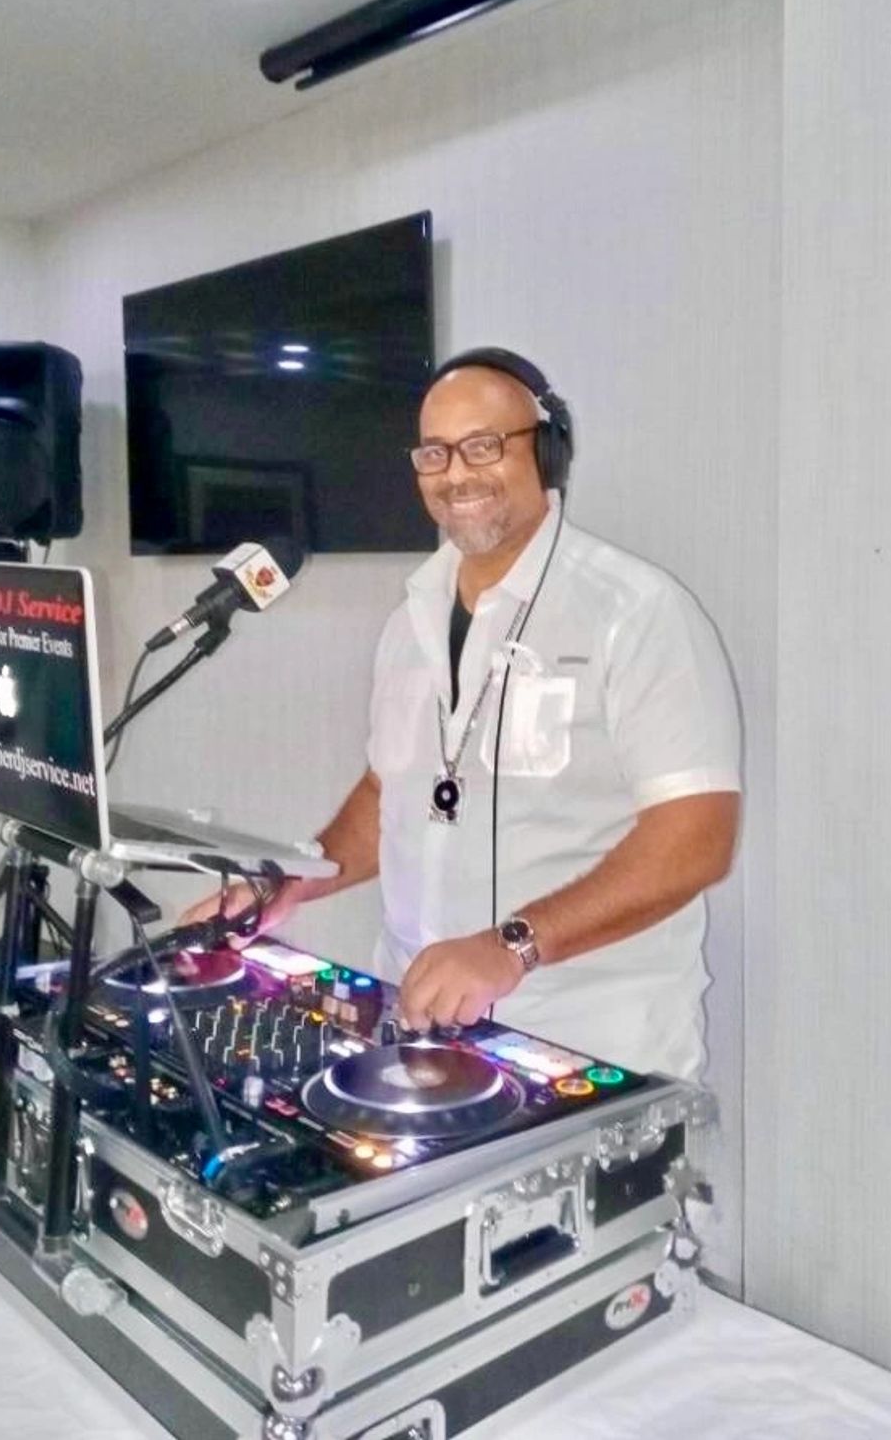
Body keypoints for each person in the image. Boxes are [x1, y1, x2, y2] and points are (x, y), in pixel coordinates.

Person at [183, 349, 741, 1080]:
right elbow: (394, 791)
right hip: (420, 1032)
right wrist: (288, 882)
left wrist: (512, 944)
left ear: (545, 451)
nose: (456, 474)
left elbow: (695, 839)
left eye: (483, 445)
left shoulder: (638, 614)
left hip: (590, 1048)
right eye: (435, 453)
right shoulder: (408, 620)